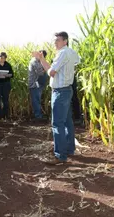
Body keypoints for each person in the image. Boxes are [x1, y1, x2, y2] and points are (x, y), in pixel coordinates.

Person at [34, 31, 80, 165]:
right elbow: (76, 61)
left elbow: (52, 72)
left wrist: (42, 60)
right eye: (55, 40)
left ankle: (60, 155)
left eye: (58, 40)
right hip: (67, 90)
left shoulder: (63, 53)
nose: (55, 43)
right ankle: (69, 149)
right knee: (67, 121)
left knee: (57, 123)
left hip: (60, 91)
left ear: (65, 41)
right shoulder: (71, 52)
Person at [28, 50, 48, 120]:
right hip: (35, 84)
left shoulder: (39, 61)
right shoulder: (34, 62)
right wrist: (47, 69)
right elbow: (40, 72)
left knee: (37, 99)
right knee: (36, 100)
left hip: (39, 84)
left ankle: (38, 115)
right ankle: (38, 116)